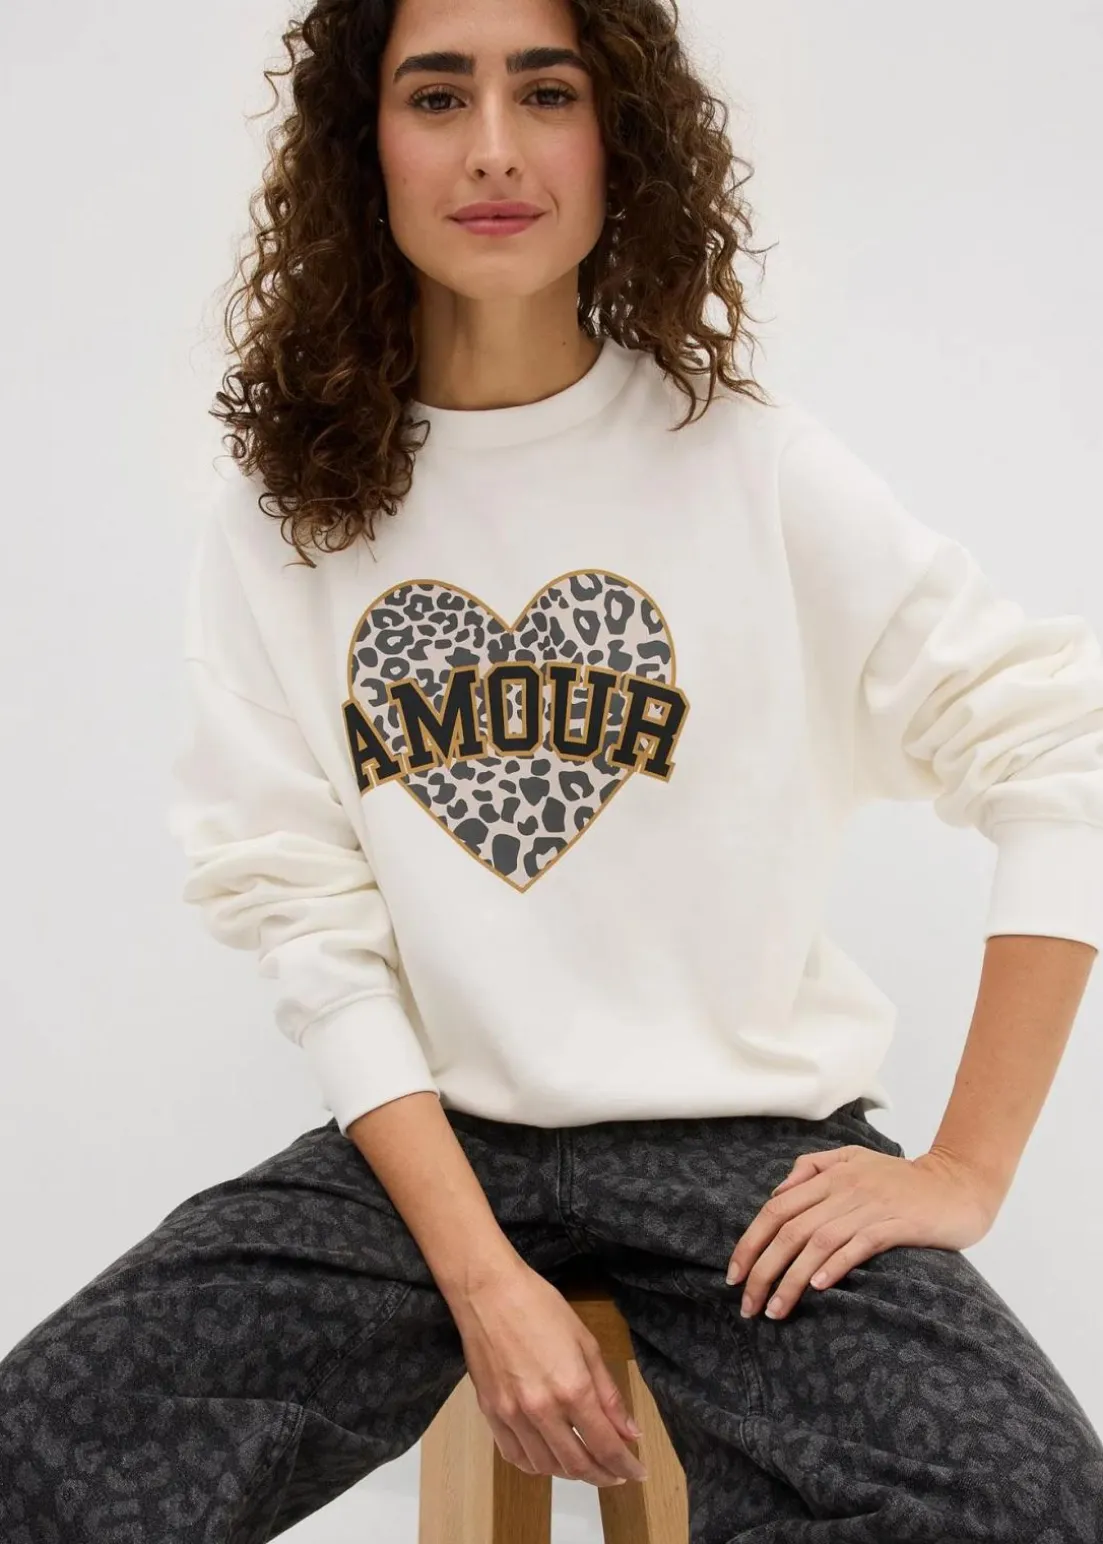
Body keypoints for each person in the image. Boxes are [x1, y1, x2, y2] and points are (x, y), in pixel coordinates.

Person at [4, 0, 1103, 1537]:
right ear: (362, 147)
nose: (493, 149)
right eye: (435, 96)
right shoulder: (287, 510)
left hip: (743, 1157)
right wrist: (481, 1277)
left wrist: (965, 1166)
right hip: (425, 1153)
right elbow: (307, 919)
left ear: (617, 138)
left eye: (546, 92)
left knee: (1022, 1500)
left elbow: (1056, 740)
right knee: (38, 1456)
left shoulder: (742, 463)